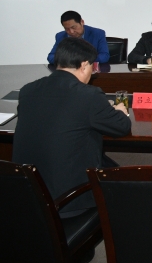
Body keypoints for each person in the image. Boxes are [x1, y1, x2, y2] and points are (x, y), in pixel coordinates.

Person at [14, 37, 131, 217]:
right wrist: (120, 111)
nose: (92, 72)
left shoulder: (27, 90)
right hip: (69, 202)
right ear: (84, 65)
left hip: (28, 196)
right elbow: (122, 127)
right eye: (92, 67)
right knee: (123, 188)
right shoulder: (89, 95)